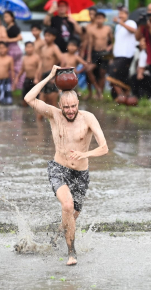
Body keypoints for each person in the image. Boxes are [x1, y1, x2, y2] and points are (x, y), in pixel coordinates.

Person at [23, 65, 108, 266]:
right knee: (67, 205)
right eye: (66, 107)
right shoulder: (54, 114)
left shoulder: (88, 118)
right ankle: (72, 253)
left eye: (73, 106)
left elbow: (104, 148)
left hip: (81, 173)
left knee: (72, 216)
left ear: (78, 103)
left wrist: (84, 153)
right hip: (58, 168)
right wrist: (50, 76)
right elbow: (28, 98)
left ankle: (55, 236)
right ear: (60, 105)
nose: (69, 111)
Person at [107, 7, 137, 103]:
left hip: (126, 55)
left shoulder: (130, 22)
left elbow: (133, 31)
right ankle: (126, 95)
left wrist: (120, 22)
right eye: (119, 13)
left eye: (123, 13)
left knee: (112, 74)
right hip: (118, 55)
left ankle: (121, 95)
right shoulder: (118, 26)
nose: (120, 15)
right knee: (121, 76)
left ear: (127, 15)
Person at [135, 3, 151, 102]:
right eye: (149, 10)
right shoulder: (145, 23)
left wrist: (149, 26)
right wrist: (140, 25)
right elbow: (137, 37)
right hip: (150, 56)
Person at [86, 12, 113, 99]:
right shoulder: (92, 30)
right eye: (97, 18)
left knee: (102, 73)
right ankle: (97, 88)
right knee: (89, 70)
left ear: (104, 19)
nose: (99, 20)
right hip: (95, 52)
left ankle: (100, 94)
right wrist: (89, 56)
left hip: (105, 53)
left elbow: (113, 40)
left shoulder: (108, 28)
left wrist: (110, 47)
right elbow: (90, 44)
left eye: (101, 18)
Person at [40, 28, 65, 108]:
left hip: (51, 75)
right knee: (41, 103)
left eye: (49, 36)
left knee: (52, 103)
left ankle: (55, 120)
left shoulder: (55, 48)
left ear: (54, 37)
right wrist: (38, 76)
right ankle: (39, 120)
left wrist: (57, 76)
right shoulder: (43, 48)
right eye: (45, 35)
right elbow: (41, 63)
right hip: (43, 76)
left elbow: (63, 61)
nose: (46, 37)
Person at [14, 42, 41, 106]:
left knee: (36, 99)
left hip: (35, 80)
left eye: (30, 47)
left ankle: (35, 113)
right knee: (24, 97)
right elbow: (22, 69)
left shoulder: (36, 57)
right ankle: (24, 113)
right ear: (25, 48)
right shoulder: (24, 58)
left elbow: (39, 69)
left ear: (33, 48)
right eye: (27, 47)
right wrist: (17, 77)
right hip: (27, 79)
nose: (29, 49)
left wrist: (36, 78)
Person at [3, 11, 23, 89]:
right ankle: (13, 85)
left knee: (15, 68)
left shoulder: (14, 27)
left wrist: (8, 40)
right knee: (11, 68)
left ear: (12, 18)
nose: (5, 18)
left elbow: (20, 37)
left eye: (7, 16)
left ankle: (17, 84)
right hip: (9, 48)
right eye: (4, 17)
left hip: (13, 48)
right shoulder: (7, 27)